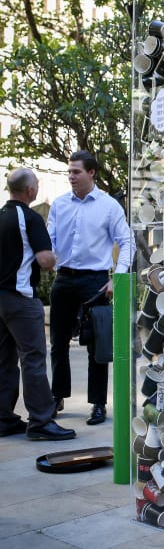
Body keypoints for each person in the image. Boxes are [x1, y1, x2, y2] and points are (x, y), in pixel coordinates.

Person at [48, 150, 132, 425]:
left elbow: (127, 241)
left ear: (91, 172)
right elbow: (50, 239)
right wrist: (48, 257)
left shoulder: (109, 206)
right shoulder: (59, 205)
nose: (71, 177)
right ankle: (57, 396)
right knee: (58, 342)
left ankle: (98, 403)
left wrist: (116, 280)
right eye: (69, 172)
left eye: (76, 172)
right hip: (63, 279)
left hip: (96, 281)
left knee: (97, 345)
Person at [0, 168, 76, 440]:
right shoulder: (29, 218)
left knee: (4, 360)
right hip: (21, 299)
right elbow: (45, 259)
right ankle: (42, 422)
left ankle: (4, 420)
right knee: (32, 359)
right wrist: (57, 257)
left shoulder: (1, 215)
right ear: (30, 190)